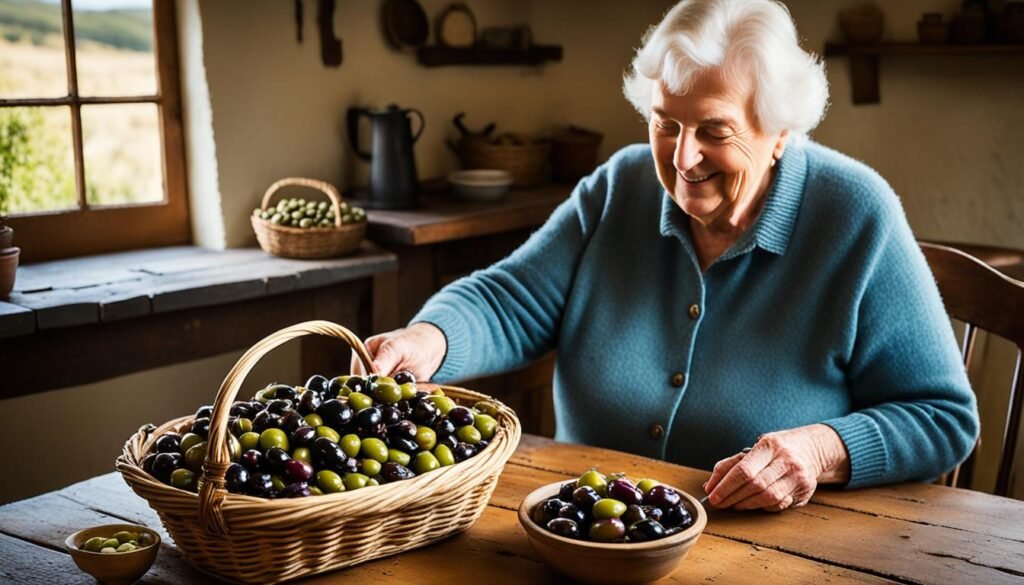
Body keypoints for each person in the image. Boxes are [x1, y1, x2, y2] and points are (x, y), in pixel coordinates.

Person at [352, 0, 979, 512]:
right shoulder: (620, 185)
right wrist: (429, 338)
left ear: (781, 131)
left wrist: (820, 450)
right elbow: (511, 300)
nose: (681, 160)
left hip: (773, 556)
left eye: (714, 130)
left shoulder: (855, 214)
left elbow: (942, 416)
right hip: (582, 525)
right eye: (664, 123)